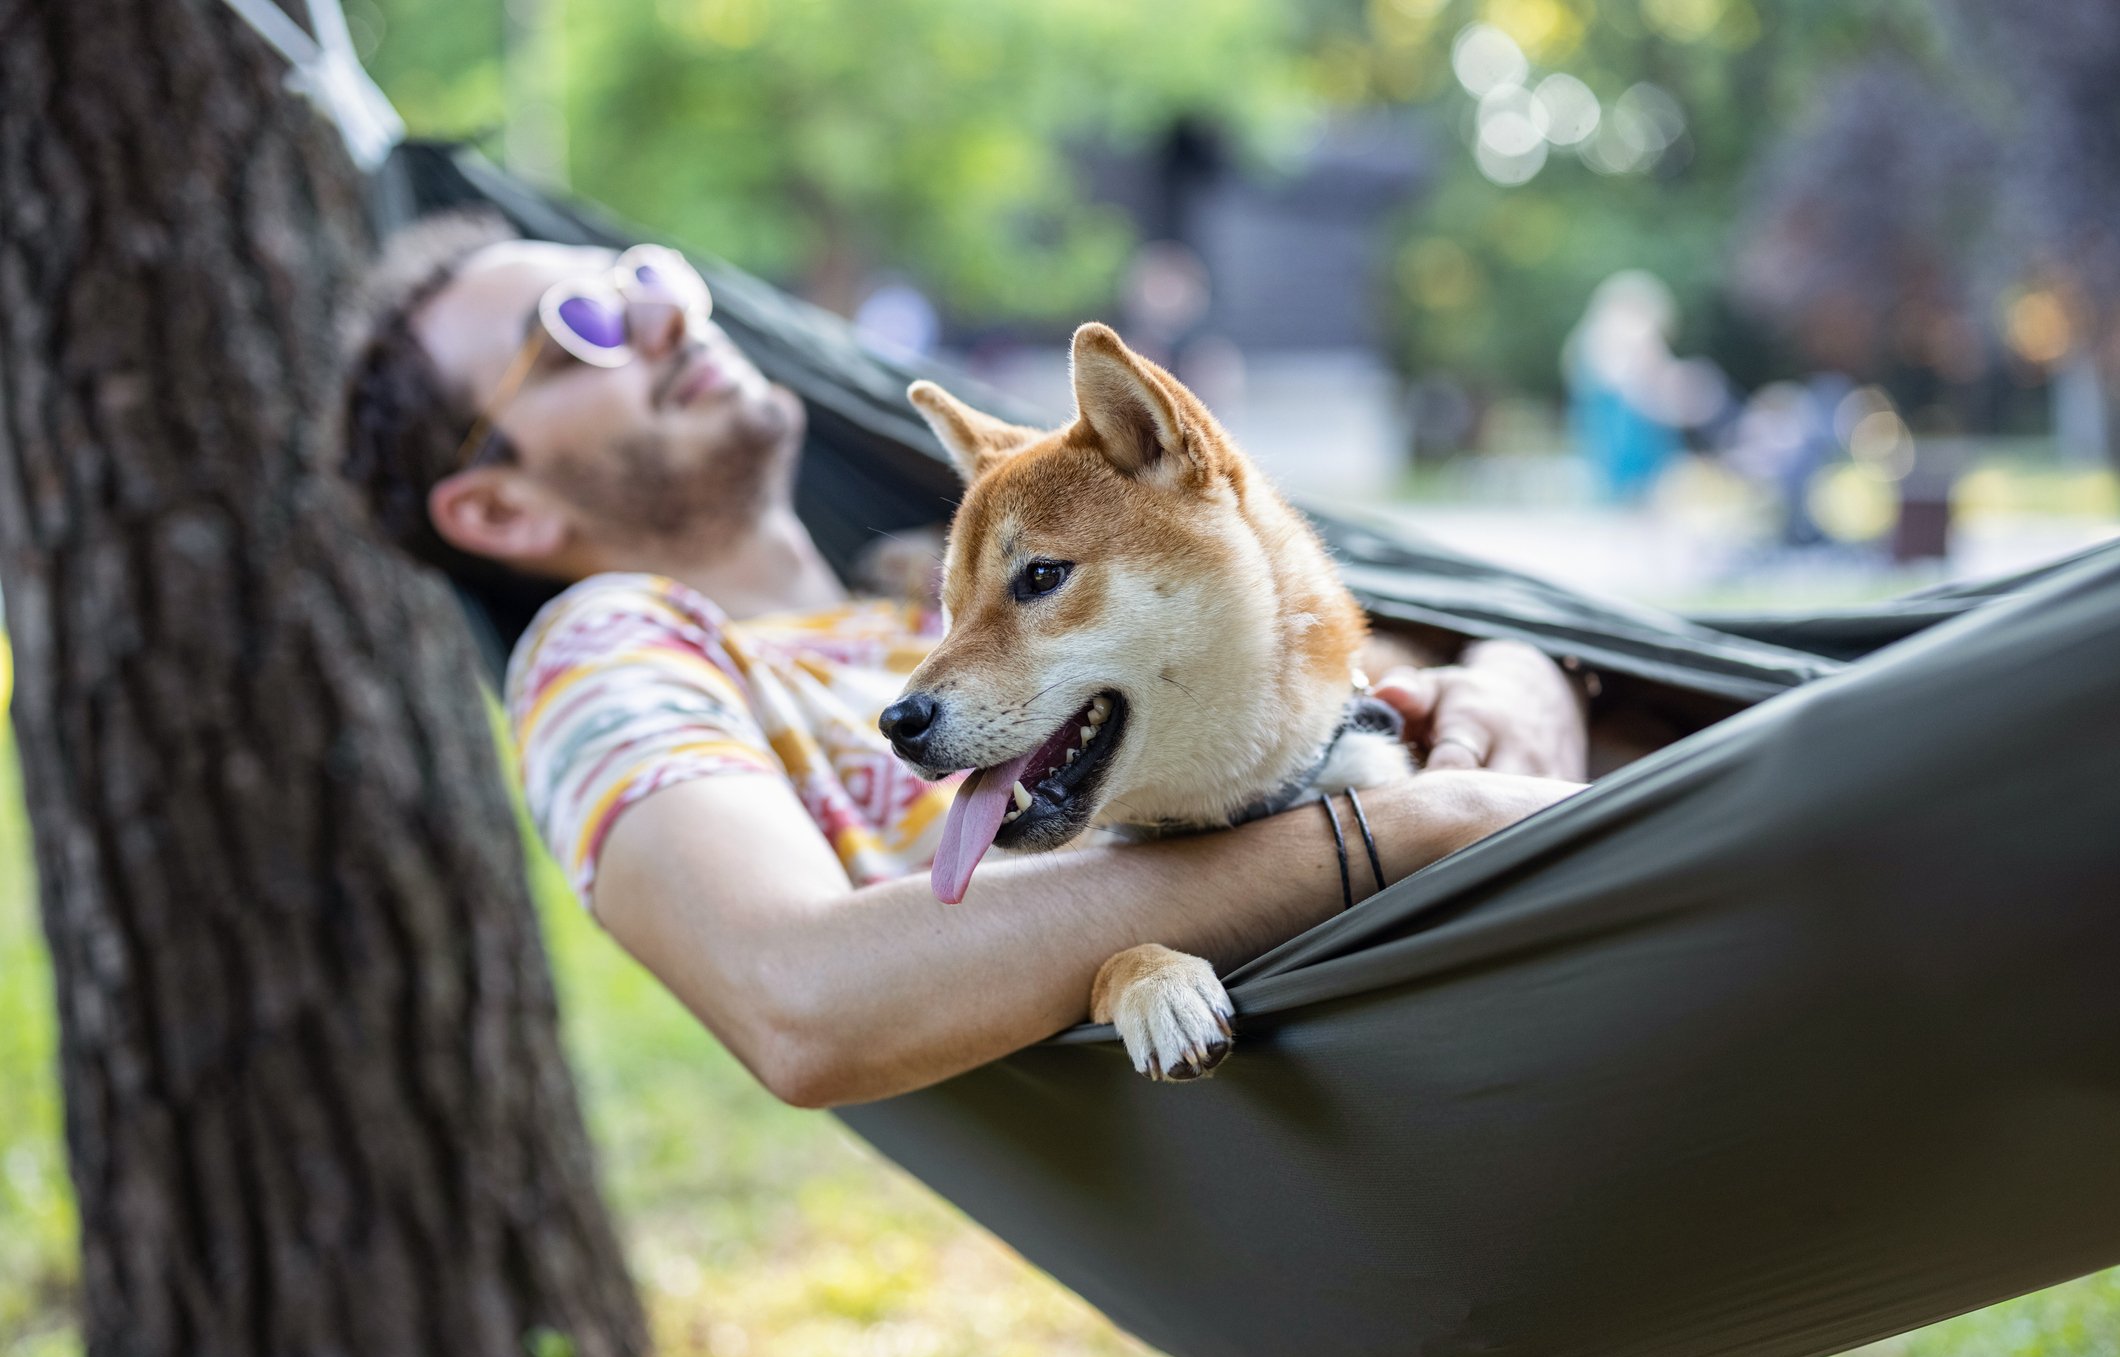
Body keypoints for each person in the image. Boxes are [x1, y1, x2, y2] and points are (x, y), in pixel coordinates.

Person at [336, 213, 1590, 1108]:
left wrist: (1524, 666)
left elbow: (1303, 628)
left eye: (641, 274)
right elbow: (801, 1001)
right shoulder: (619, 652)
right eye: (587, 324)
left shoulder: (928, 593)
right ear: (500, 513)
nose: (665, 308)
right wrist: (1395, 831)